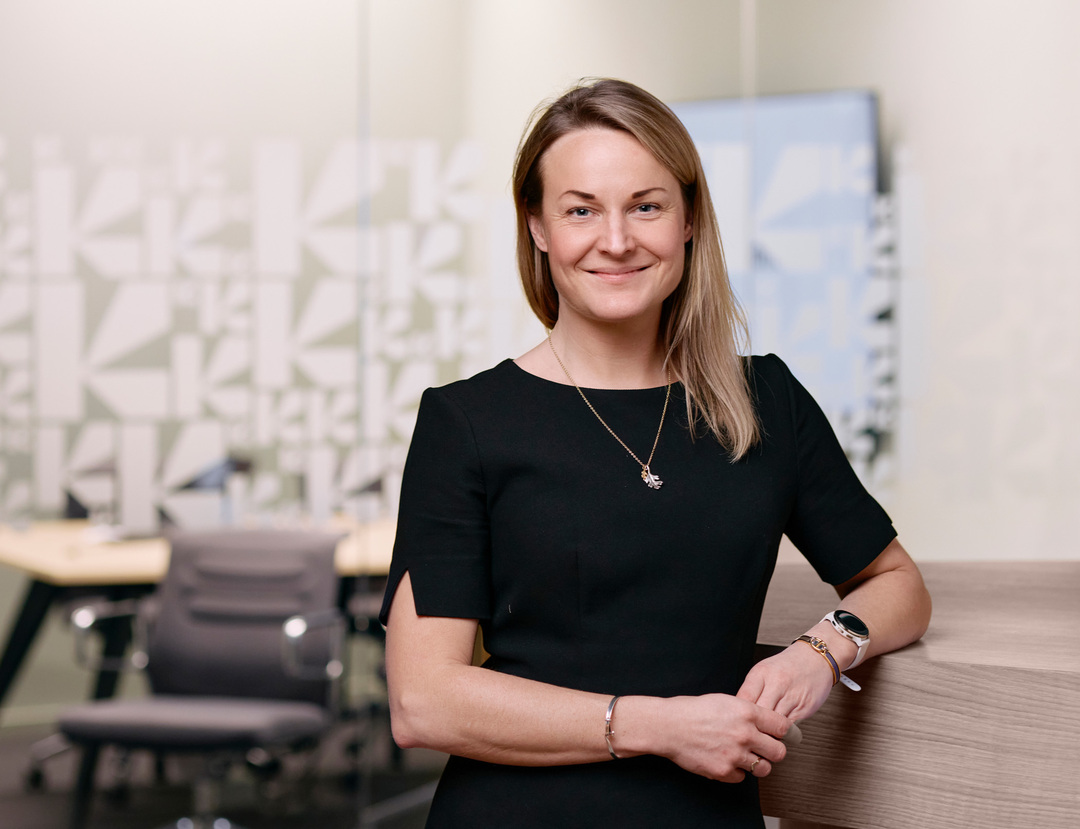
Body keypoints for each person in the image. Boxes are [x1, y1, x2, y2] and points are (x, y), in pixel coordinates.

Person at [379, 78, 931, 828]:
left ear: (689, 219)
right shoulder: (467, 422)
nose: (616, 240)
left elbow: (897, 585)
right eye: (581, 210)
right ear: (537, 227)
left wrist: (820, 651)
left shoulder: (764, 401)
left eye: (646, 206)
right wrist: (661, 726)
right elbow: (422, 701)